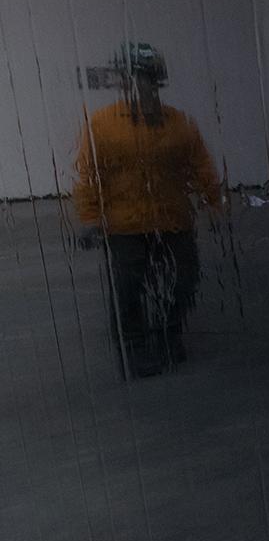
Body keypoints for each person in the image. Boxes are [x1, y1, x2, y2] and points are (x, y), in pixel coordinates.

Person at [74, 43, 219, 378]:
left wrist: (213, 201)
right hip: (126, 226)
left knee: (184, 279)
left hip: (172, 220)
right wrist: (91, 218)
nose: (138, 85)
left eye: (145, 77)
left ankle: (169, 334)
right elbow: (90, 175)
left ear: (156, 81)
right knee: (129, 287)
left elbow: (200, 165)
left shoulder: (178, 124)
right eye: (132, 78)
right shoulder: (103, 125)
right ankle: (134, 348)